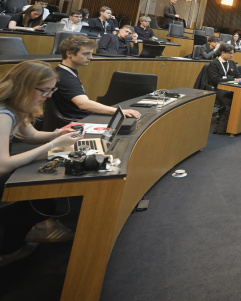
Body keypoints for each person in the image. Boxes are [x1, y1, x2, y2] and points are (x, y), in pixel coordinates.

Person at [0, 61, 84, 263]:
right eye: (44, 91)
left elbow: (31, 135)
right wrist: (53, 144)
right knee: (37, 177)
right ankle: (10, 248)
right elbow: (2, 165)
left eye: (51, 91)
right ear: (24, 87)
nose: (48, 97)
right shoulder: (3, 114)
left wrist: (56, 134)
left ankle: (41, 225)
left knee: (41, 169)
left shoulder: (15, 105)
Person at [52, 35, 141, 122]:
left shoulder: (67, 71)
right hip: (76, 121)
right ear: (69, 53)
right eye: (86, 54)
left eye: (91, 53)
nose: (91, 57)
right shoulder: (65, 76)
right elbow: (83, 104)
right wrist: (118, 111)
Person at [206, 44, 241, 134]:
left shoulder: (232, 63)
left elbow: (238, 75)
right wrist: (233, 79)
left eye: (232, 53)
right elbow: (216, 79)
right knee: (230, 102)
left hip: (233, 89)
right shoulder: (214, 64)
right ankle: (222, 128)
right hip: (218, 89)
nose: (232, 55)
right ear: (223, 53)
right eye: (230, 53)